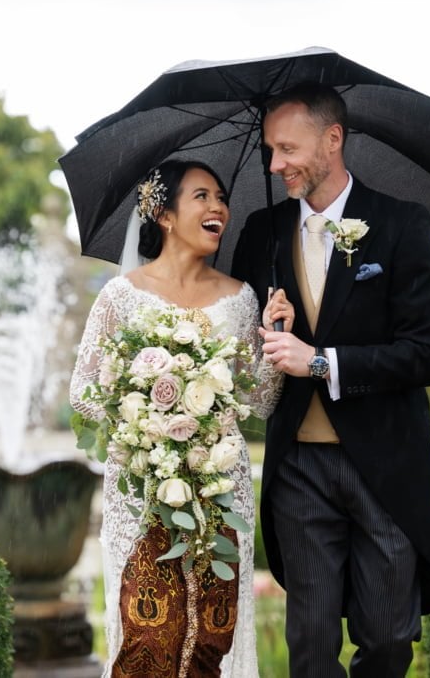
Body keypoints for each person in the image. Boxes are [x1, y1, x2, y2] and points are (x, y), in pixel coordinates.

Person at [231, 82, 430, 677]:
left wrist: (323, 360)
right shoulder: (262, 234)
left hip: (383, 466)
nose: (276, 165)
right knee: (309, 644)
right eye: (271, 151)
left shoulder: (404, 226)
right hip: (298, 469)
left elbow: (429, 353)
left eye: (288, 149)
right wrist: (267, 334)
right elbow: (245, 360)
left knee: (386, 639)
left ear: (333, 139)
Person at [70, 159, 294, 677]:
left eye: (220, 197)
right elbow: (83, 392)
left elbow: (259, 402)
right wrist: (149, 417)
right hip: (144, 489)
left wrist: (273, 337)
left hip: (221, 488)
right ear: (164, 215)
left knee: (211, 630)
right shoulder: (120, 296)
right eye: (201, 196)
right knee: (148, 630)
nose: (218, 207)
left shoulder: (241, 300)